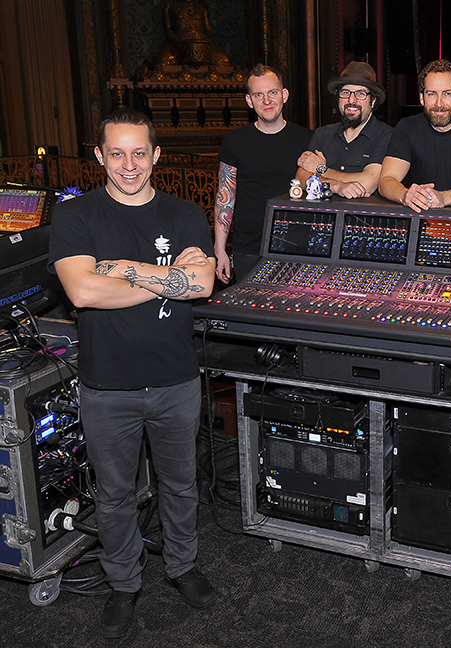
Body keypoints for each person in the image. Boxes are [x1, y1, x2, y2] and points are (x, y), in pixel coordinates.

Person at [48, 110, 217, 638]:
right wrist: (170, 277)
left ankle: (182, 567)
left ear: (156, 155)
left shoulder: (187, 213)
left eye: (139, 152)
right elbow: (82, 292)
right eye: (116, 153)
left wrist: (119, 267)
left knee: (181, 484)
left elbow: (204, 286)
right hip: (108, 385)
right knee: (114, 496)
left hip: (175, 380)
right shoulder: (77, 217)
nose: (129, 164)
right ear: (99, 156)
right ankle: (124, 586)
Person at [214, 65, 312, 283]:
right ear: (250, 101)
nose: (267, 101)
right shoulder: (235, 141)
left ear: (284, 95)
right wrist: (219, 249)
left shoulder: (308, 139)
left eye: (272, 93)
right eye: (259, 95)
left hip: (297, 247)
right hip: (248, 248)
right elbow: (225, 197)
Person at [378, 59, 451, 212]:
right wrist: (406, 195)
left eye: (447, 94)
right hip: (421, 217)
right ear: (422, 98)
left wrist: (443, 197)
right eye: (432, 94)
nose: (439, 103)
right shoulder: (407, 127)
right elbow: (386, 180)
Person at [296, 61, 392, 199]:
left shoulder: (386, 135)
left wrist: (321, 170)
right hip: (324, 217)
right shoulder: (322, 133)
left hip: (363, 219)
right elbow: (301, 177)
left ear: (373, 101)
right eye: (345, 92)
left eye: (360, 93)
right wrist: (336, 186)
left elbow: (368, 183)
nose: (351, 100)